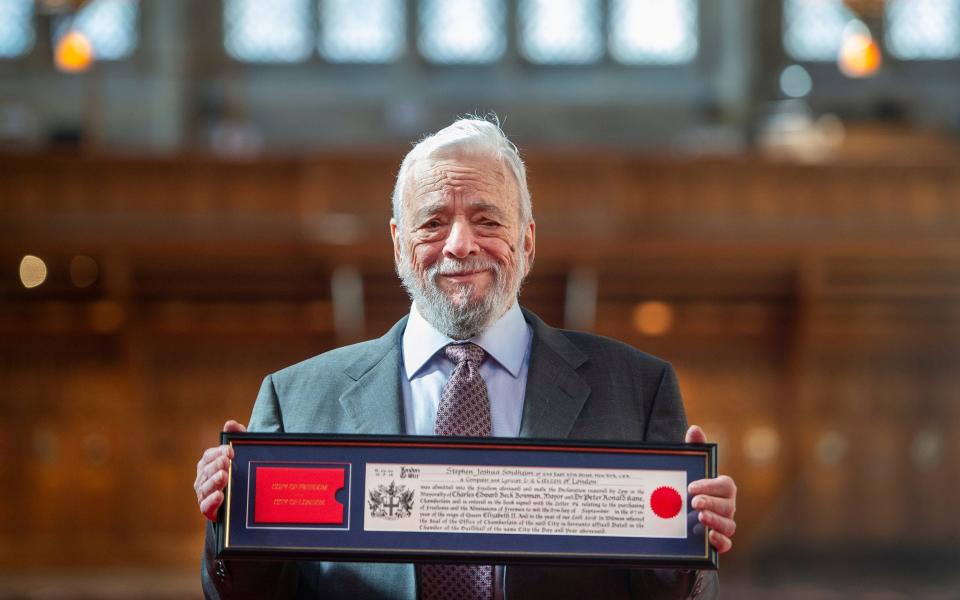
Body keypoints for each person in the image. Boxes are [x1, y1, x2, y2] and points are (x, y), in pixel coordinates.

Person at [194, 117, 737, 600]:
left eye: (487, 221)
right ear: (399, 243)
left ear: (526, 243)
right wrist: (231, 520)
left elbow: (667, 590)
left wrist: (691, 544)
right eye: (432, 222)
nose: (459, 244)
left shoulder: (639, 389)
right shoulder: (295, 400)